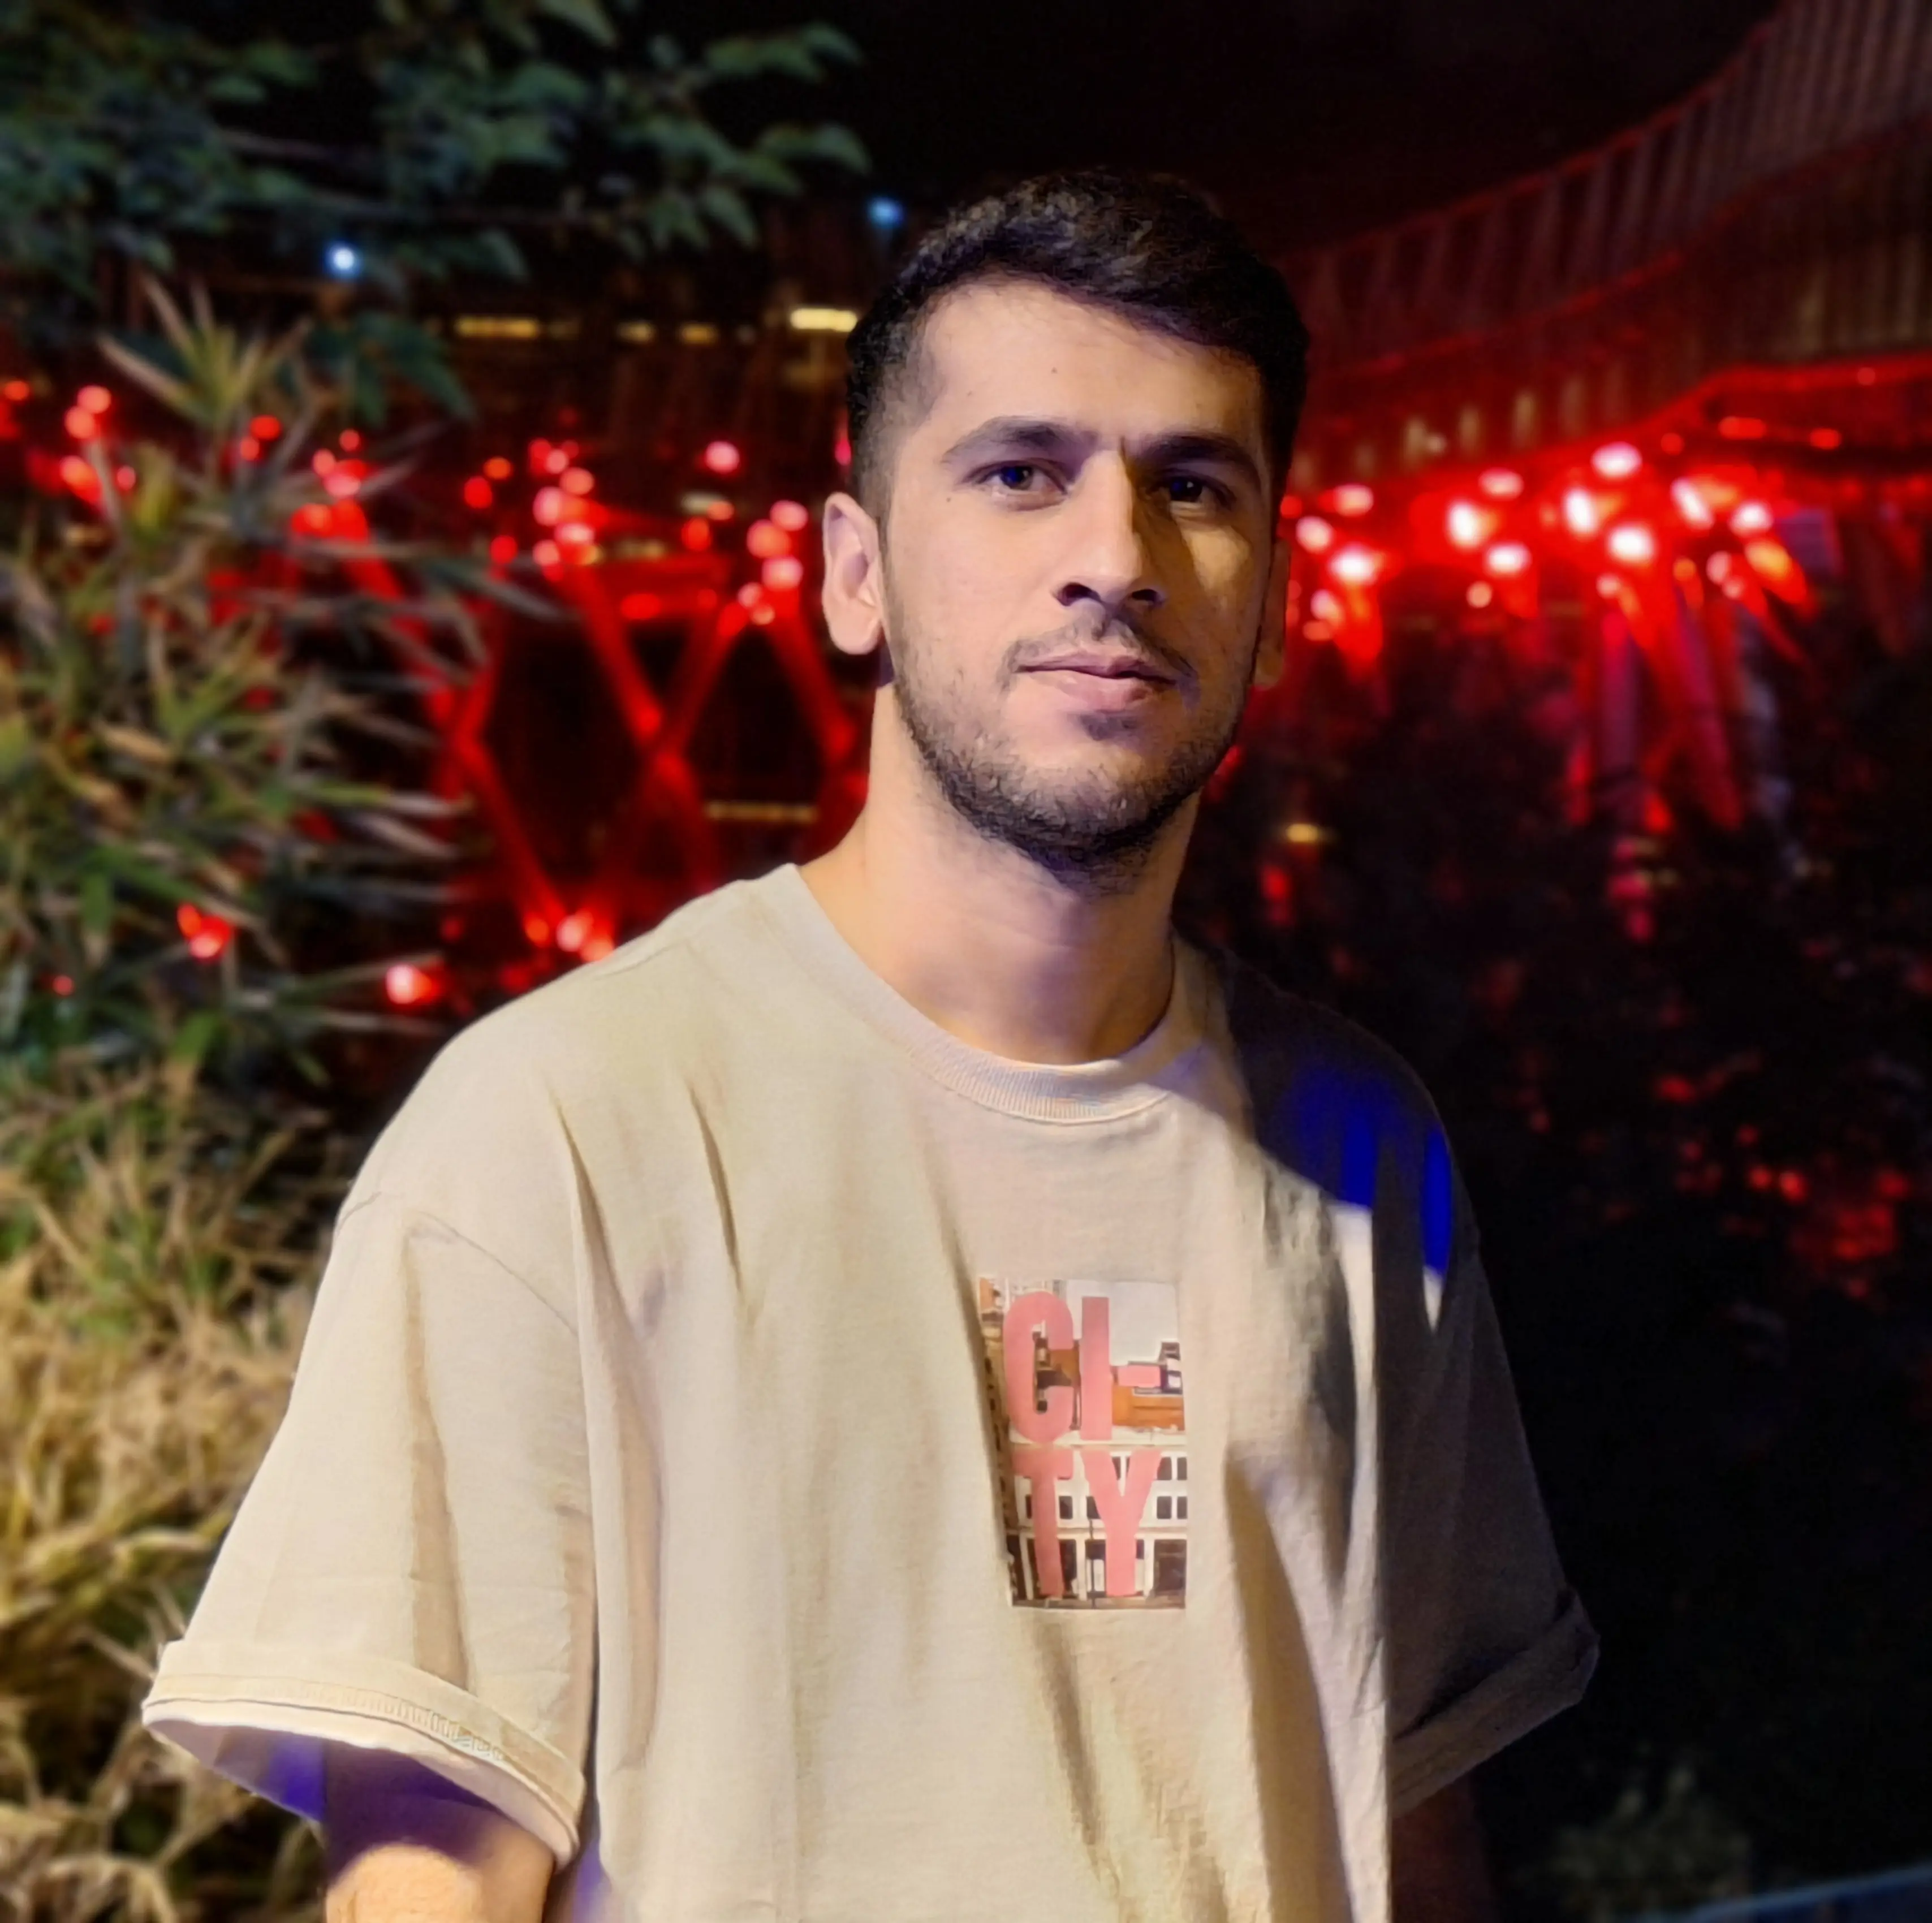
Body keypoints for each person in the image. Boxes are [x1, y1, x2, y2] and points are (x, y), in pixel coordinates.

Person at [141, 169, 1596, 1923]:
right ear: (853, 575)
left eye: (1193, 487)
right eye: (1018, 472)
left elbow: (1410, 1824)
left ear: (1274, 596)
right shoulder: (566, 1120)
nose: (1114, 559)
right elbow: (426, 1879)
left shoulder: (1363, 1146)